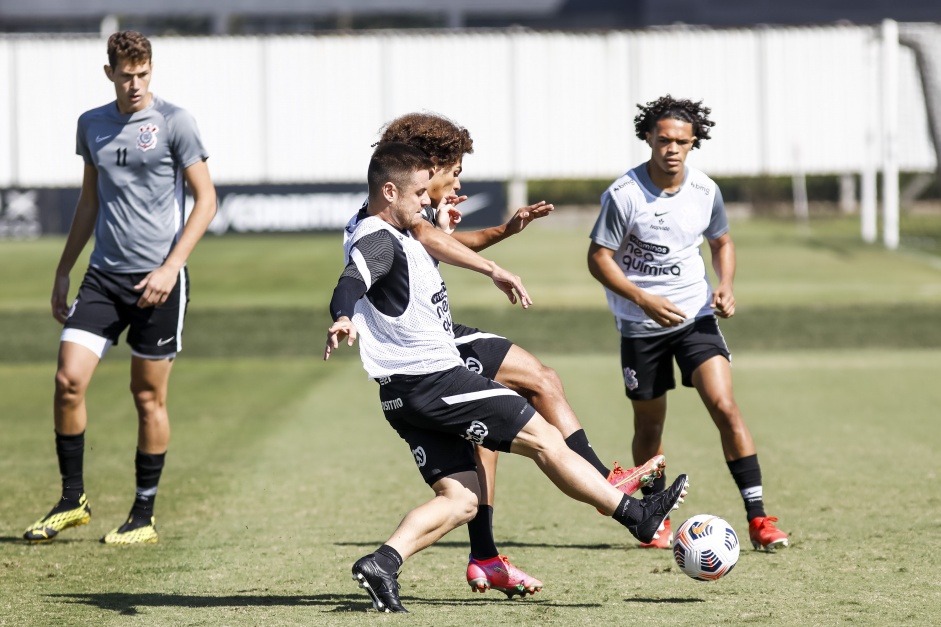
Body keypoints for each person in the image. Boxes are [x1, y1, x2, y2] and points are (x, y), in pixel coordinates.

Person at [325, 142, 689, 613]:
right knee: (543, 436)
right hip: (434, 381)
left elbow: (418, 250)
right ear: (390, 190)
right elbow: (353, 277)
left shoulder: (403, 229)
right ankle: (637, 515)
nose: (426, 201)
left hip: (403, 394)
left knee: (462, 499)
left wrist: (456, 233)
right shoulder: (377, 235)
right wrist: (342, 315)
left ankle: (383, 562)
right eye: (419, 193)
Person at [23, 31, 217, 545]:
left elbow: (206, 201)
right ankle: (72, 500)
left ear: (151, 70)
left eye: (143, 74)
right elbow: (90, 201)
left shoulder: (175, 122)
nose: (135, 84)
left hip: (160, 282)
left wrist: (171, 267)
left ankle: (142, 515)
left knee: (147, 397)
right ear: (108, 72)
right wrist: (65, 268)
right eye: (126, 75)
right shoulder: (91, 124)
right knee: (68, 380)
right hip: (103, 278)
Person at [586, 95, 788, 551]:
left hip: (695, 317)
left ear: (694, 143)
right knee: (650, 428)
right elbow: (598, 259)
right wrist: (642, 298)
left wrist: (727, 284)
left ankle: (759, 519)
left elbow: (722, 241)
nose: (671, 149)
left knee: (725, 406)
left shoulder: (704, 191)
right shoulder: (624, 195)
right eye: (663, 140)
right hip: (640, 326)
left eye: (681, 141)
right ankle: (653, 514)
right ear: (648, 139)